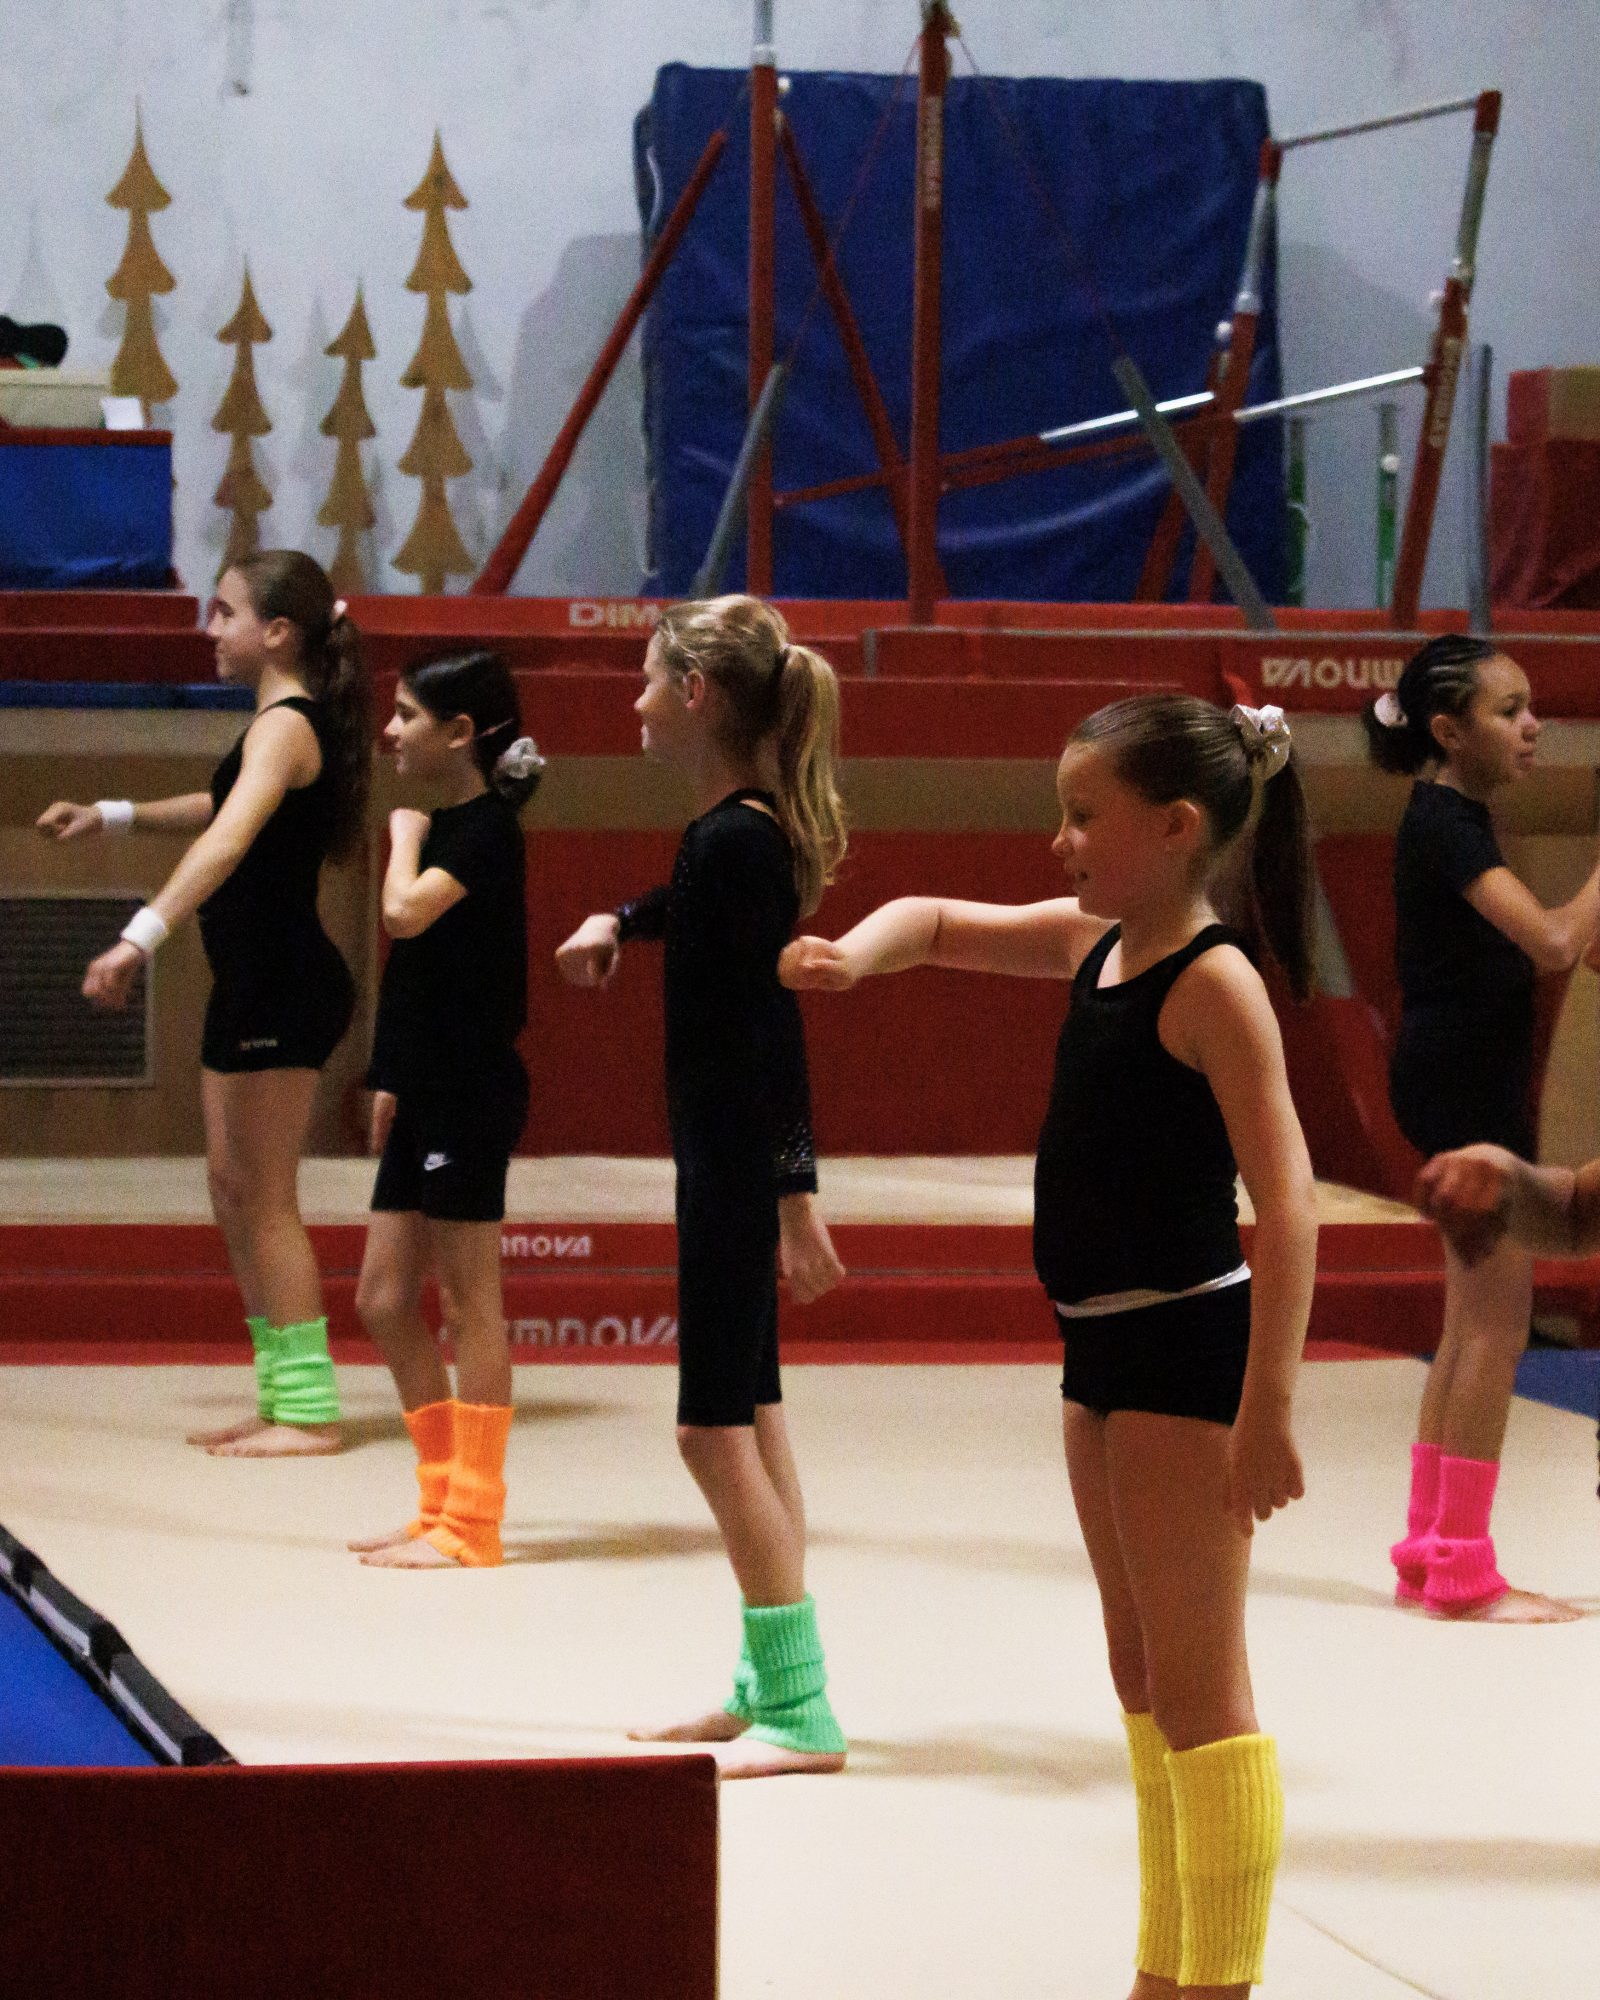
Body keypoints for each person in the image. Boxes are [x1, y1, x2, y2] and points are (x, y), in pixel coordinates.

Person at [781, 693, 1316, 1995]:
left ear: (1176, 827)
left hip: (1185, 1353)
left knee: (1201, 1690)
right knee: (1138, 1671)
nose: (1059, 840)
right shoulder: (1098, 946)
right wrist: (851, 955)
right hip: (1098, 1355)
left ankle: (1218, 1981)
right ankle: (1163, 1966)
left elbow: (1289, 1202)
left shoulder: (1213, 983)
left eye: (1083, 817)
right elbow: (937, 922)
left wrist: (1268, 1407)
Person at [556, 594, 849, 1779]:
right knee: (755, 1416)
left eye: (645, 680)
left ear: (694, 694)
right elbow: (699, 920)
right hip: (722, 1160)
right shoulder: (733, 834)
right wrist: (621, 917)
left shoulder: (736, 839)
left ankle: (801, 1708)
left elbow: (775, 1030)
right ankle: (767, 1679)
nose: (631, 702)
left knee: (709, 1428)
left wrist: (795, 1198)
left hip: (735, 1167)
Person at [37, 550, 370, 1456]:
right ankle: (279, 1392)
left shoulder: (288, 727)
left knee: (265, 1198)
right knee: (230, 1191)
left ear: (278, 633)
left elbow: (227, 840)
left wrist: (137, 937)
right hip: (252, 982)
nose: (209, 629)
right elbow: (217, 802)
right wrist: (112, 814)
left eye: (224, 613)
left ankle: (309, 1411)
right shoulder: (271, 728)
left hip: (285, 984)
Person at [1363, 634, 1600, 1621]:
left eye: (1531, 706)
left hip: (1456, 1076)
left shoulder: (1452, 819)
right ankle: (1463, 1565)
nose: (1532, 725)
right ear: (1449, 731)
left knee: (1469, 1323)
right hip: (1464, 1088)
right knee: (1497, 1326)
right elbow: (1550, 941)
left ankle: (1427, 1546)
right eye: (1509, 711)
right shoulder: (1449, 826)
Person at [350, 650, 542, 1570]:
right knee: (383, 1299)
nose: (390, 730)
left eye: (407, 714)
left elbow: (404, 916)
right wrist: (389, 1075)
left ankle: (474, 1520)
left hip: (470, 1090)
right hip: (425, 1086)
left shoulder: (483, 830)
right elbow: (416, 975)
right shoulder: (451, 826)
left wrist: (402, 837)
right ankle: (436, 1499)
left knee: (470, 1304)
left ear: (460, 733)